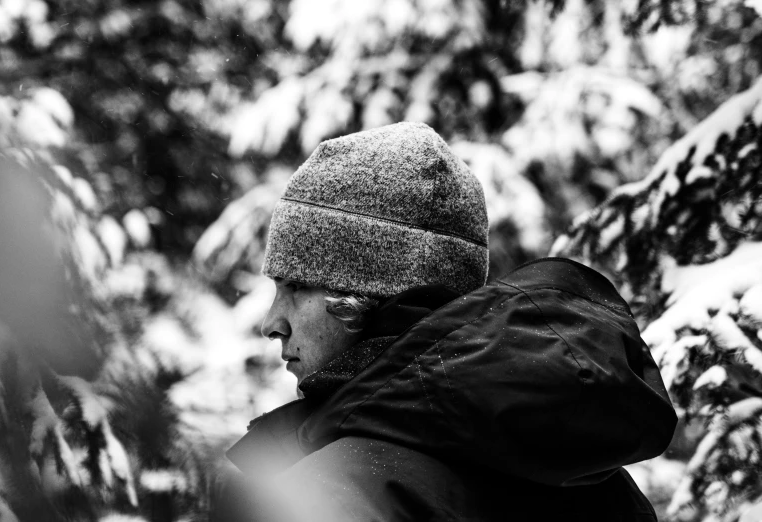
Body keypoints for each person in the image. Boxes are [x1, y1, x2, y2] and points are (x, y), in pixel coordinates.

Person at [210, 122, 677, 521]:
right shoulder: (607, 491)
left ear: (364, 292)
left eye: (294, 285)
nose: (273, 322)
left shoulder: (331, 496)